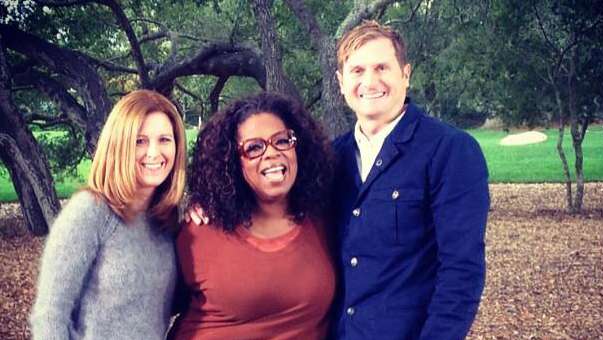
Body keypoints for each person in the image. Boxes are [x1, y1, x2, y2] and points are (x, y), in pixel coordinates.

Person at [330, 20, 489, 339]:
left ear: (405, 74)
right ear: (341, 81)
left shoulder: (449, 150)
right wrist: (204, 210)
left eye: (382, 67)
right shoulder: (332, 158)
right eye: (357, 70)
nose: (370, 81)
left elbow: (461, 272)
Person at [172, 92, 336, 339]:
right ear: (231, 162)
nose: (271, 154)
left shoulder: (325, 221)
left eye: (282, 141)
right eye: (254, 148)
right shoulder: (200, 229)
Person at [30, 89, 187, 339]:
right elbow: (49, 316)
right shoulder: (90, 211)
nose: (154, 153)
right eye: (140, 141)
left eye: (165, 140)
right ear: (119, 145)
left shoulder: (166, 218)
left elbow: (165, 304)